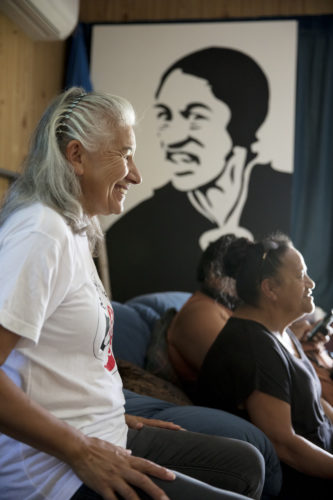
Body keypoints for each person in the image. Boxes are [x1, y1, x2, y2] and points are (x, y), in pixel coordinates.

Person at [0, 87, 265, 500]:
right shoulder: (39, 233)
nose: (136, 174)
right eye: (124, 154)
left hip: (105, 432)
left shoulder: (75, 229)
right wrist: (81, 448)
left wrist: (113, 415)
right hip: (55, 470)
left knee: (247, 464)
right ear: (76, 156)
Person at [106, 47, 292, 302]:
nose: (171, 137)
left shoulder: (294, 198)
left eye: (194, 115)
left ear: (242, 123)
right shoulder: (131, 233)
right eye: (165, 116)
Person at [196, 233, 333, 499]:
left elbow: (315, 402)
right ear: (270, 289)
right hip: (305, 480)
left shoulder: (279, 331)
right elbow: (284, 445)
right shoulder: (252, 346)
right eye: (300, 275)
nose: (311, 282)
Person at [167, 234, 239, 397]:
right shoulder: (201, 312)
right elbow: (240, 378)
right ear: (213, 271)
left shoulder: (225, 308)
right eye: (239, 270)